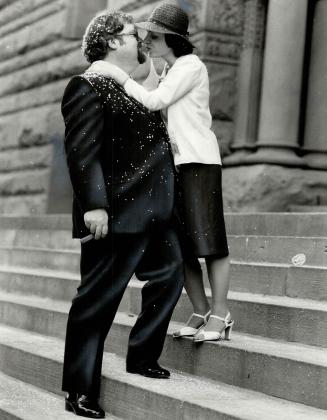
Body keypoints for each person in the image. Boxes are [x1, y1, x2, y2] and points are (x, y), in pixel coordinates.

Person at [61, 10, 184, 419]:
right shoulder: (88, 85)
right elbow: (82, 152)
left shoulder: (133, 86)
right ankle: (79, 389)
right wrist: (94, 205)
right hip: (115, 212)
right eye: (134, 35)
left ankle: (142, 355)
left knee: (169, 276)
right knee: (96, 301)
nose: (141, 42)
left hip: (157, 211)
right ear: (113, 40)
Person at [89, 2, 234, 344]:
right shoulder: (170, 69)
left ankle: (221, 312)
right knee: (180, 245)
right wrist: (150, 68)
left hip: (199, 163)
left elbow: (154, 102)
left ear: (171, 38)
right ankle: (199, 311)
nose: (146, 41)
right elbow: (152, 98)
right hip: (177, 166)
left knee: (209, 243)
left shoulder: (190, 66)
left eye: (153, 36)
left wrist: (117, 74)